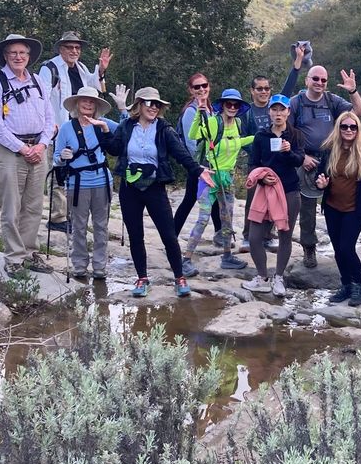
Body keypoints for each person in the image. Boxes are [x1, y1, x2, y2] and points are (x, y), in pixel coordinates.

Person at [101, 86, 213, 298]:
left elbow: (181, 153)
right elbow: (114, 150)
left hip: (155, 187)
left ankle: (179, 277)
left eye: (157, 104)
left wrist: (198, 170)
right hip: (129, 188)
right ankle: (142, 278)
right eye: (149, 103)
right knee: (136, 235)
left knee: (168, 234)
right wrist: (106, 133)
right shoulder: (126, 126)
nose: (154, 108)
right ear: (139, 105)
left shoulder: (163, 129)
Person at [0, 33, 55, 272]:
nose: (18, 57)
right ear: (5, 55)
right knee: (11, 207)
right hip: (10, 153)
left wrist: (42, 145)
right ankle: (14, 258)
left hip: (38, 150)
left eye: (22, 52)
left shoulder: (37, 81)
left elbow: (49, 117)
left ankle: (30, 252)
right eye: (13, 53)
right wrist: (24, 149)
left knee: (33, 206)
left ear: (29, 55)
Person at [290, 64, 361, 268]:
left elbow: (359, 112)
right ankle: (309, 248)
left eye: (323, 80)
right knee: (307, 208)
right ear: (307, 80)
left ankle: (342, 247)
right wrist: (301, 157)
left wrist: (352, 90)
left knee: (337, 200)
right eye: (315, 79)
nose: (320, 83)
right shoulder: (296, 103)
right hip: (306, 161)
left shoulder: (332, 100)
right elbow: (285, 132)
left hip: (332, 158)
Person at [41, 31, 112, 232]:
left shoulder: (80, 68)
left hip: (78, 127)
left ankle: (68, 214)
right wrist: (48, 124)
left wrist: (102, 70)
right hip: (58, 127)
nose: (74, 51)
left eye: (77, 48)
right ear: (60, 48)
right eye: (69, 47)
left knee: (73, 168)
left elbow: (93, 88)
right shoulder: (50, 68)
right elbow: (43, 97)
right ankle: (57, 217)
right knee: (58, 170)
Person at [240, 43, 307, 249]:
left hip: (280, 162)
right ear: (252, 91)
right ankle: (248, 234)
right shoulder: (247, 112)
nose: (263, 92)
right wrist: (259, 156)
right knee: (255, 200)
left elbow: (288, 87)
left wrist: (297, 64)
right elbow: (242, 138)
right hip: (259, 163)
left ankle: (267, 236)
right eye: (259, 88)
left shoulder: (276, 106)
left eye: (267, 88)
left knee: (274, 201)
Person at [315, 112, 361, 307]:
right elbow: (320, 176)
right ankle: (346, 285)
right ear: (338, 128)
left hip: (356, 208)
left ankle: (360, 286)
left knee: (346, 247)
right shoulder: (329, 150)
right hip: (332, 207)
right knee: (338, 250)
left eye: (353, 127)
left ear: (358, 130)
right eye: (344, 126)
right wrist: (320, 183)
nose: (349, 130)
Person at [183, 89, 254, 271]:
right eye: (228, 104)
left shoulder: (237, 123)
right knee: (203, 218)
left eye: (235, 104)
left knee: (227, 219)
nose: (231, 107)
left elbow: (238, 142)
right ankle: (185, 259)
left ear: (239, 107)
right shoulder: (214, 122)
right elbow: (193, 135)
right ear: (222, 105)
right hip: (210, 177)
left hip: (227, 179)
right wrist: (199, 113)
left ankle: (227, 256)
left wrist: (261, 137)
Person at [53, 85, 117, 280]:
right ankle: (79, 266)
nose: (88, 104)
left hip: (102, 181)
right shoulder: (66, 128)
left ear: (96, 105)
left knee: (101, 226)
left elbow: (126, 130)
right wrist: (62, 157)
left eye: (92, 101)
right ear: (77, 104)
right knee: (79, 226)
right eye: (84, 100)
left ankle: (100, 267)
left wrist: (123, 109)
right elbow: (56, 157)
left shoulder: (104, 123)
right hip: (77, 183)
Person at [243, 94, 304, 296]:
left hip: (289, 191)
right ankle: (262, 276)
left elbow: (299, 161)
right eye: (274, 109)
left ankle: (279, 278)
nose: (278, 113)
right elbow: (253, 163)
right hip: (265, 190)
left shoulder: (295, 135)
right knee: (254, 237)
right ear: (269, 111)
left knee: (285, 235)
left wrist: (288, 151)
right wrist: (261, 179)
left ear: (288, 112)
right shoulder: (261, 136)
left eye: (282, 109)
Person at [173, 71, 223, 245]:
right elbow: (191, 142)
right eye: (197, 87)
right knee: (189, 200)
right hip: (198, 165)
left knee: (215, 198)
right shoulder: (190, 112)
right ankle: (171, 236)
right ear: (191, 90)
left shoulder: (211, 109)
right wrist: (199, 167)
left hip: (210, 162)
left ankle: (219, 233)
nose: (202, 89)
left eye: (204, 85)